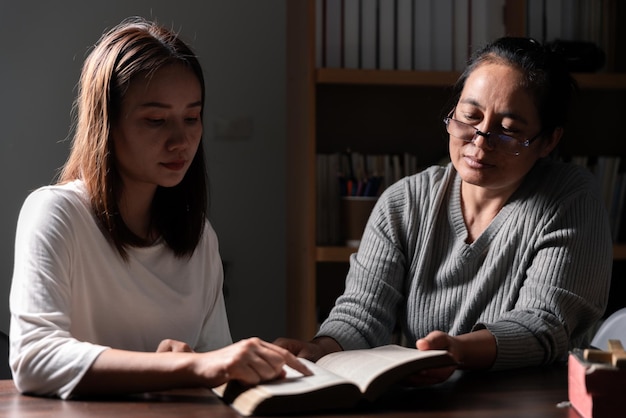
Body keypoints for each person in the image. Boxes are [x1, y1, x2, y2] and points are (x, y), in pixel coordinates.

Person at [276, 37, 613, 384]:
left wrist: (458, 352)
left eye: (509, 131)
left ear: (548, 141)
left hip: (536, 401)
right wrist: (318, 349)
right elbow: (362, 315)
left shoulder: (571, 198)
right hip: (430, 401)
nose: (480, 142)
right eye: (470, 117)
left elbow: (543, 325)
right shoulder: (404, 203)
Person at [9, 16, 310, 399]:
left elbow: (212, 367)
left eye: (192, 117)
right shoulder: (56, 214)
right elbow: (34, 358)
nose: (181, 140)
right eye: (155, 120)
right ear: (106, 122)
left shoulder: (198, 236)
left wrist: (208, 366)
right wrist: (180, 366)